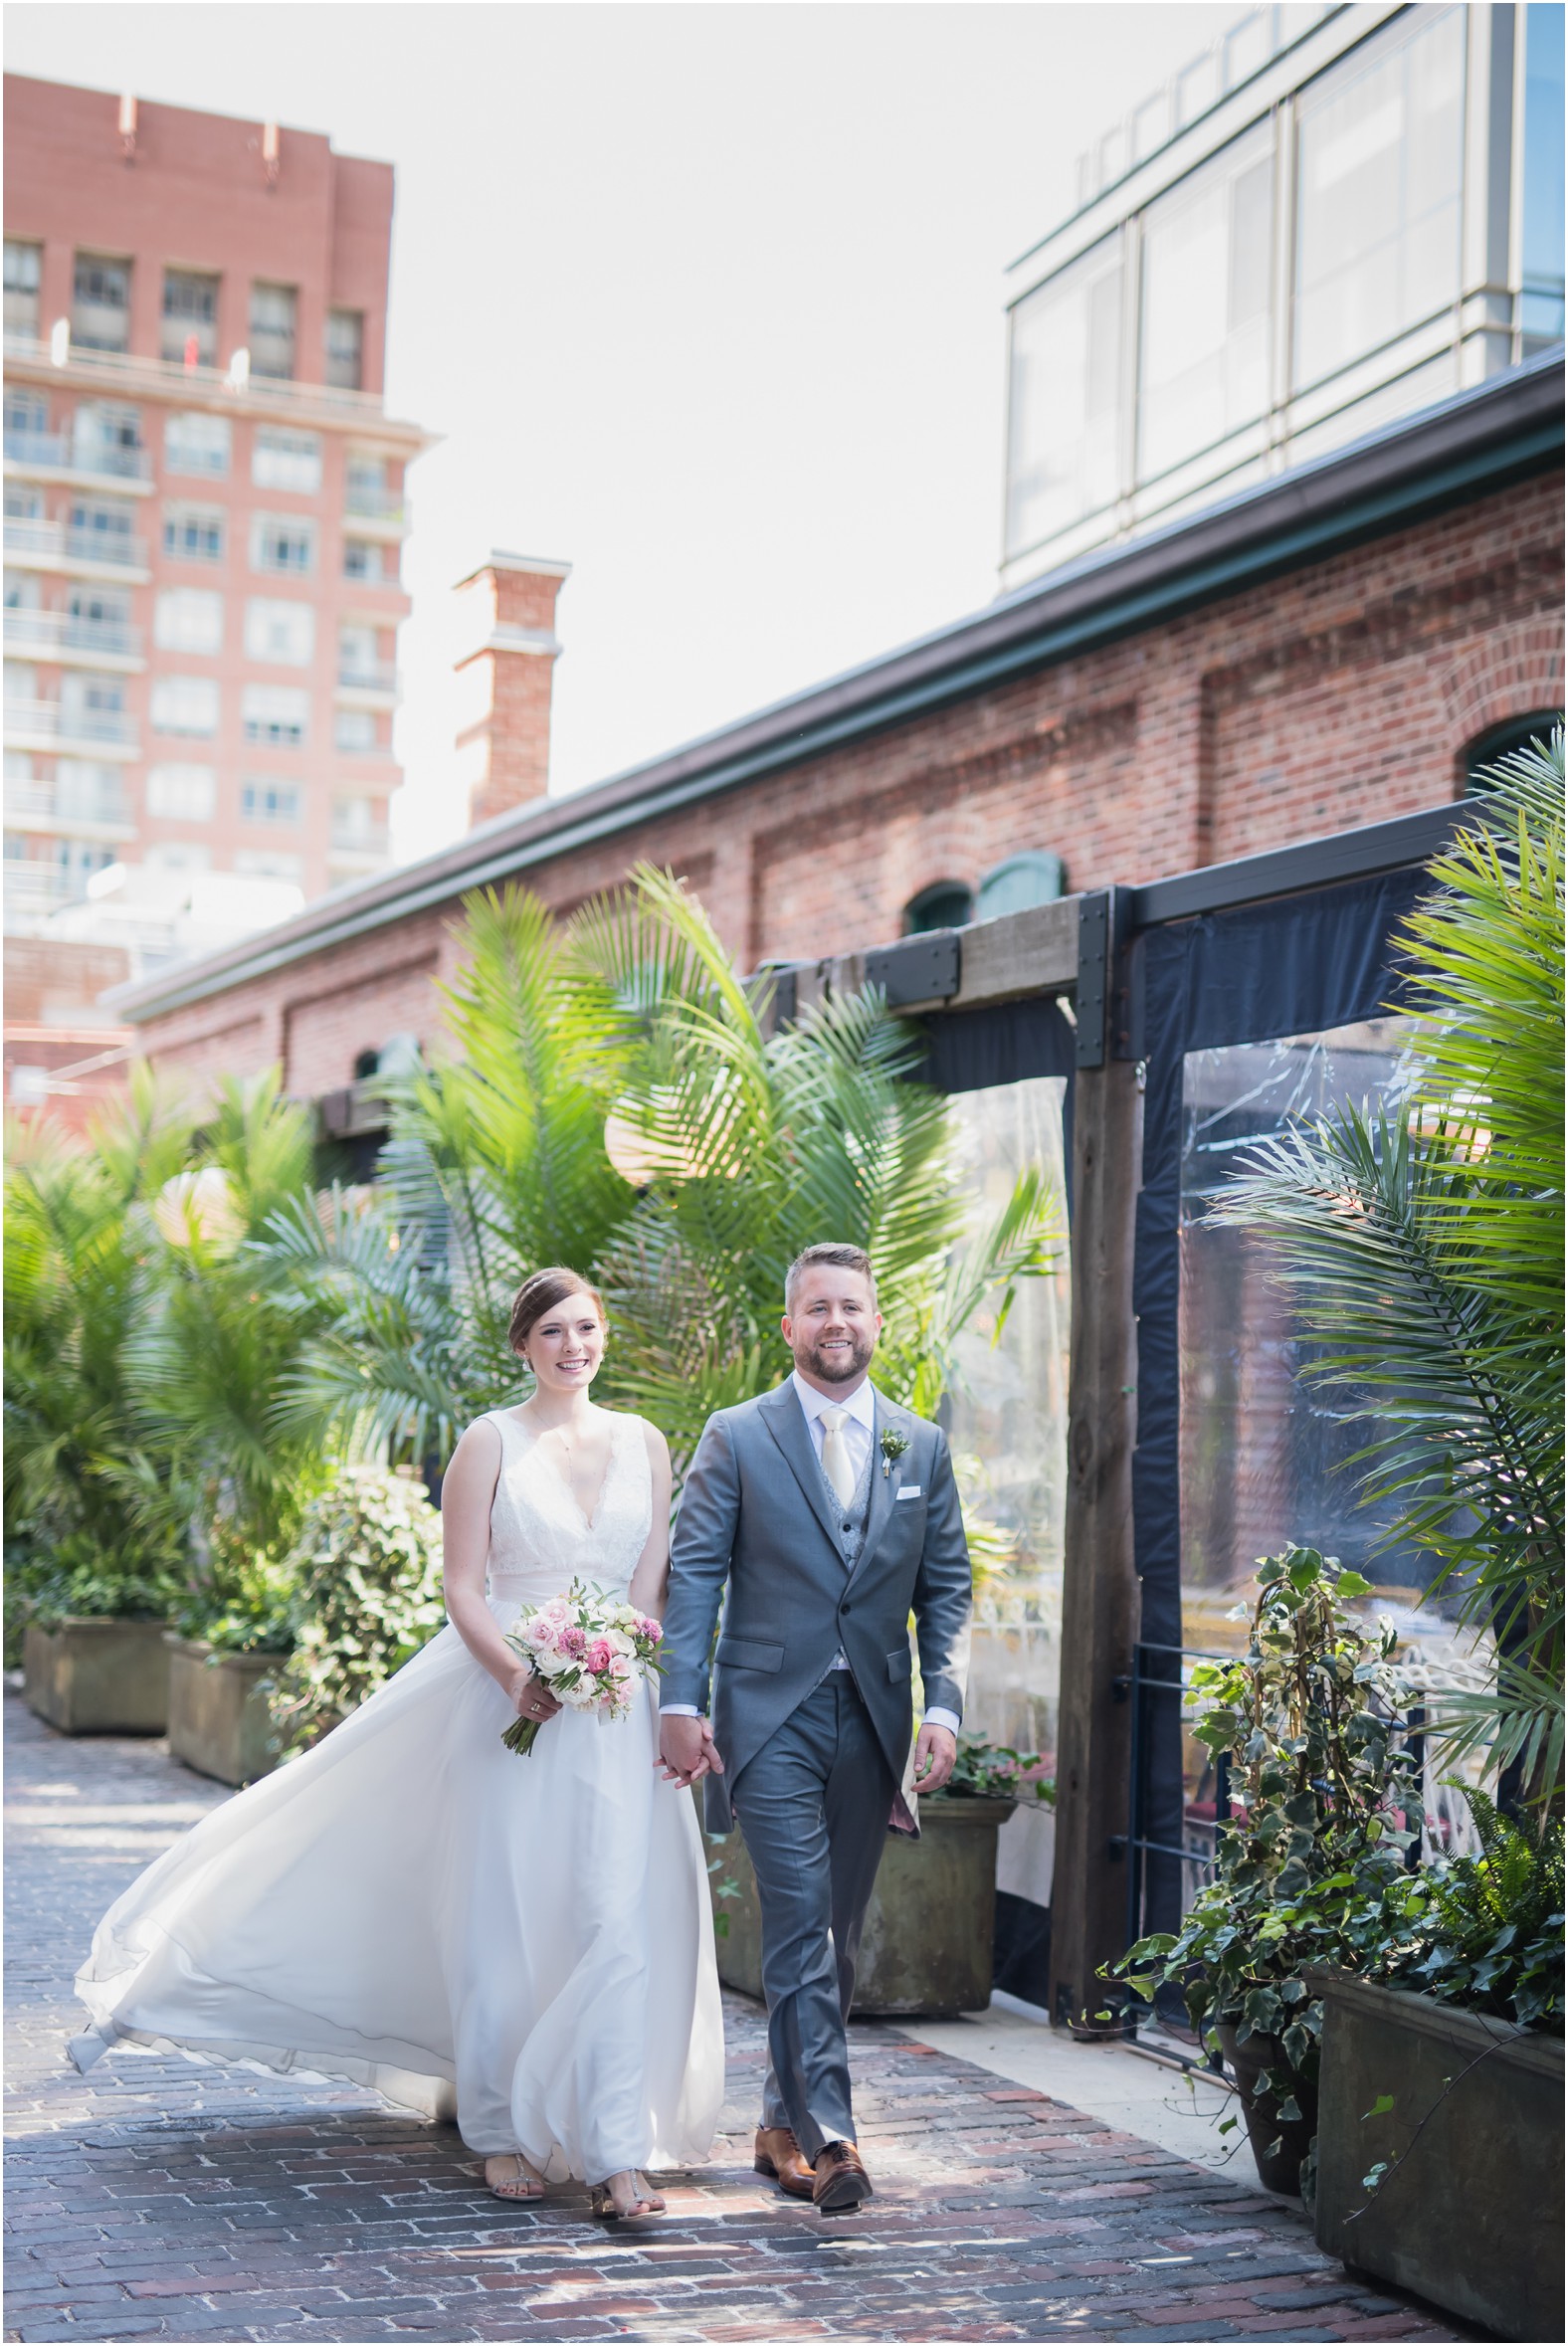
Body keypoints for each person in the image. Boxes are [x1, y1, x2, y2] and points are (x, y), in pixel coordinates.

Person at [72, 1269, 723, 2225]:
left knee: (617, 1923)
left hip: (619, 1710)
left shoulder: (646, 1443)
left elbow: (652, 1587)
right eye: (552, 1330)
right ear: (523, 1345)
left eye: (586, 1327)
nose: (573, 1345)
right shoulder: (488, 1440)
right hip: (513, 1710)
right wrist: (516, 1674)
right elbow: (463, 1585)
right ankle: (499, 2127)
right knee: (506, 1920)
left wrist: (650, 1678)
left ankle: (618, 2148)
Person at [658, 1241, 971, 2215]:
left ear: (878, 1324)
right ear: (788, 1327)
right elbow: (696, 1574)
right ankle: (832, 2137)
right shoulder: (737, 1435)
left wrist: (944, 1702)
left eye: (853, 1307)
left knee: (834, 1935)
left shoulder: (918, 1447)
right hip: (769, 1718)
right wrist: (680, 1700)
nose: (837, 1323)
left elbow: (946, 1587)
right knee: (798, 1925)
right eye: (818, 1308)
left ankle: (777, 2122)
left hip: (871, 1721)